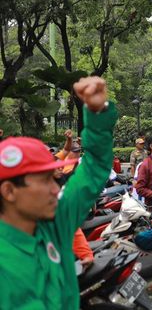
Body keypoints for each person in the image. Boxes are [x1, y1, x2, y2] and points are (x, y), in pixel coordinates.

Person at [0, 76, 117, 309]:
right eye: (44, 181)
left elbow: (93, 170)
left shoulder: (55, 226)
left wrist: (96, 115)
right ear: (9, 191)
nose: (56, 189)